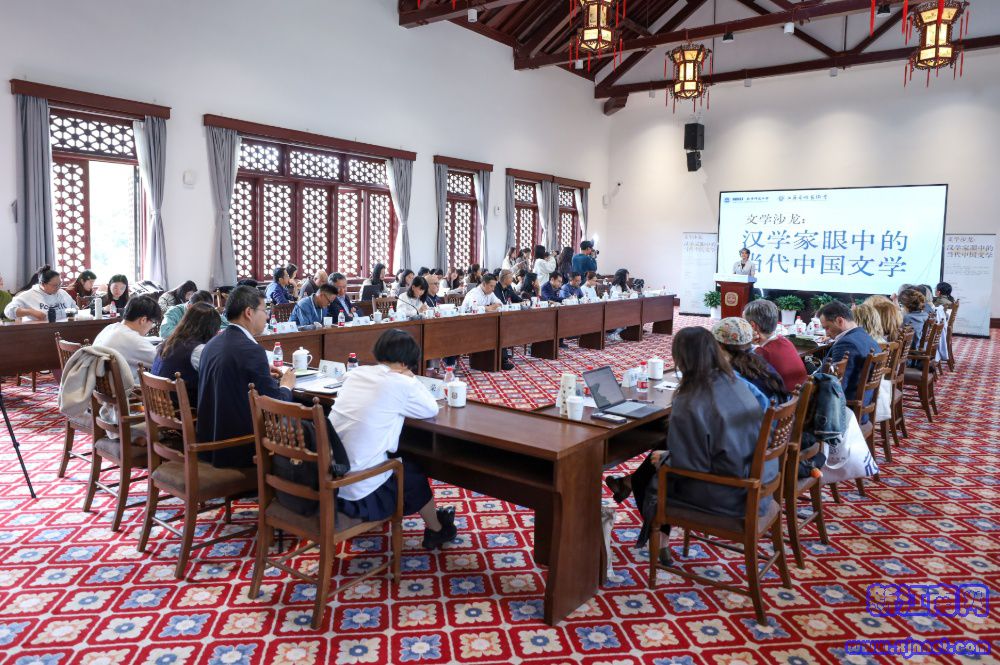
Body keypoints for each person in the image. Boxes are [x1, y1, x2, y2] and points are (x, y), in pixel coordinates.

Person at [605, 326, 770, 562]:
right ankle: (653, 529)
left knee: (653, 478)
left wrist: (666, 458)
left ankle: (658, 538)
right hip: (757, 480)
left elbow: (690, 465)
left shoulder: (690, 398)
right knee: (655, 460)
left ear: (681, 359)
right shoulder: (735, 381)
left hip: (728, 494)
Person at [330, 329, 457, 549]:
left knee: (403, 462)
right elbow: (430, 408)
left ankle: (436, 523)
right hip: (358, 490)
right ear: (408, 362)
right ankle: (437, 529)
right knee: (412, 474)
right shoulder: (401, 383)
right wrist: (411, 378)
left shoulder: (356, 373)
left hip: (331, 476)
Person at [197, 285, 297, 468]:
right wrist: (286, 385)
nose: (268, 316)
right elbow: (276, 405)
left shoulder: (212, 343)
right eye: (265, 310)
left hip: (208, 442)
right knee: (307, 420)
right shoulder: (251, 350)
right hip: (239, 448)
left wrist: (261, 369)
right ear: (249, 312)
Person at [152, 302, 223, 405]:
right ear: (211, 329)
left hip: (162, 407)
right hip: (184, 409)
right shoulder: (197, 350)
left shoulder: (166, 343)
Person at [817, 300, 881, 405]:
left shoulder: (846, 344)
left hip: (846, 408)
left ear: (840, 321)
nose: (826, 333)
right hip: (865, 402)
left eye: (827, 328)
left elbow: (835, 389)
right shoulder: (865, 336)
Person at [712, 317, 788, 403]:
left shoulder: (731, 376)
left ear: (720, 345)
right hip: (780, 409)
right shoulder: (760, 362)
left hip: (763, 411)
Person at [742, 299, 807, 393]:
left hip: (784, 400)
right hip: (799, 397)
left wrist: (746, 344)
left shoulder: (762, 353)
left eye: (743, 323)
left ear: (752, 326)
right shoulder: (785, 341)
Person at [92, 295, 162, 380]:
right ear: (143, 320)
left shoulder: (110, 328)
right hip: (127, 387)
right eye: (153, 322)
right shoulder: (133, 339)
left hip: (103, 385)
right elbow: (162, 362)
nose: (151, 327)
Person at [4, 265, 76, 321]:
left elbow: (75, 308)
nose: (58, 288)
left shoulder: (62, 293)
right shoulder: (28, 295)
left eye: (60, 284)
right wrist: (30, 312)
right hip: (40, 331)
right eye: (54, 285)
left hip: (63, 328)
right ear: (42, 284)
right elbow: (8, 311)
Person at [160, 290, 229, 339]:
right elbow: (164, 332)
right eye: (200, 312)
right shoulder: (174, 311)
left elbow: (227, 326)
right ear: (190, 306)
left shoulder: (209, 310)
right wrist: (195, 332)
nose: (205, 315)